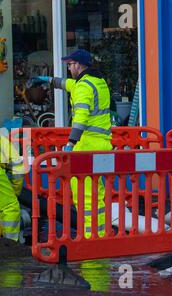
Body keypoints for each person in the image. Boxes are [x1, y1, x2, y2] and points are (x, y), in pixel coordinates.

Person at [33, 49, 112, 239]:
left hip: (86, 146)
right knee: (96, 194)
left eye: (70, 64)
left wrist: (70, 142)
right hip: (101, 145)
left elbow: (81, 117)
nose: (68, 68)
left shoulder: (83, 86)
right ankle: (98, 234)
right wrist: (48, 80)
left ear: (79, 64)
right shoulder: (97, 82)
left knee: (83, 194)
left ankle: (88, 237)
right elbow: (67, 84)